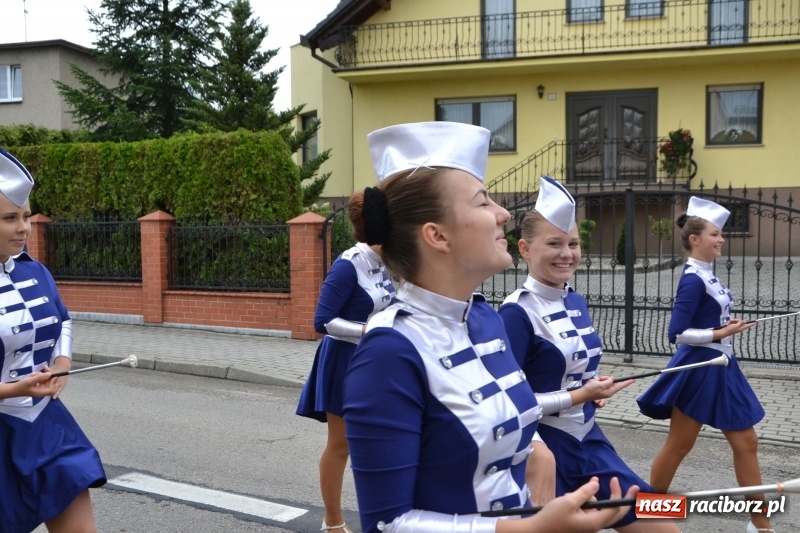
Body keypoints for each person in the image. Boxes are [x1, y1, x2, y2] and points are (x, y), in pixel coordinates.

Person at [343, 121, 637, 533]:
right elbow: (387, 523)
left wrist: (538, 452)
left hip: (573, 464)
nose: (503, 213)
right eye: (483, 202)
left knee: (666, 512)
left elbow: (512, 414)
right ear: (437, 236)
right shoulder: (388, 352)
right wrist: (528, 530)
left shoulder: (485, 318)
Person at [497, 176, 679, 533]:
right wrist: (580, 395)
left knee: (664, 520)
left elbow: (572, 372)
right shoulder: (515, 314)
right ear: (525, 249)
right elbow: (507, 403)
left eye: (573, 243)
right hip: (543, 450)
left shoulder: (575, 300)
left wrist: (595, 388)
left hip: (588, 440)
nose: (567, 253)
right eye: (554, 243)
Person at [637, 196, 773, 533]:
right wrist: (721, 332)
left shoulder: (707, 275)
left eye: (721, 234)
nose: (721, 239)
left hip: (722, 365)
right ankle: (651, 516)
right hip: (700, 368)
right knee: (680, 445)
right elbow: (677, 333)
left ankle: (761, 525)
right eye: (715, 234)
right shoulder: (693, 278)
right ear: (695, 239)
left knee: (746, 443)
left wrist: (726, 326)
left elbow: (708, 319)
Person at [0, 147, 106, 533]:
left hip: (45, 426)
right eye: (9, 218)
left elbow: (61, 320)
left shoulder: (36, 271)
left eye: (26, 216)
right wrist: (12, 390)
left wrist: (62, 363)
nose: (24, 228)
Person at [296, 233, 396, 533]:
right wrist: (367, 330)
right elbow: (323, 320)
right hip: (344, 361)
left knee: (384, 440)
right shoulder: (348, 265)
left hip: (376, 360)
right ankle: (333, 522)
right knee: (341, 444)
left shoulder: (385, 261)